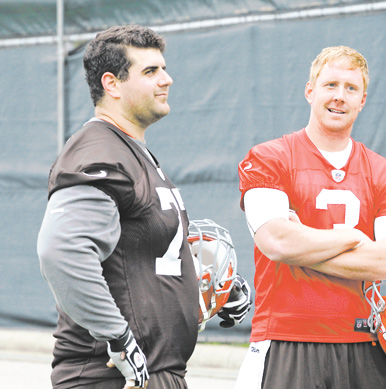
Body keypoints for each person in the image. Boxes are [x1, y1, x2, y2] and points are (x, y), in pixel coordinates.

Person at [37, 25, 250, 389]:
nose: (166, 79)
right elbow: (61, 251)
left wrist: (220, 286)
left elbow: (144, 251)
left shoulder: (131, 151)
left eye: (164, 68)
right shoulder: (98, 152)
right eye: (150, 71)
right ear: (112, 84)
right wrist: (117, 338)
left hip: (154, 372)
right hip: (109, 375)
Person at [235, 46, 386, 388]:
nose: (339, 97)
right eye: (330, 84)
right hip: (286, 338)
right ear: (310, 91)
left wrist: (303, 245)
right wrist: (354, 238)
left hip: (363, 342)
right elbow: (276, 241)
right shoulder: (269, 158)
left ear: (362, 100)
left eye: (351, 88)